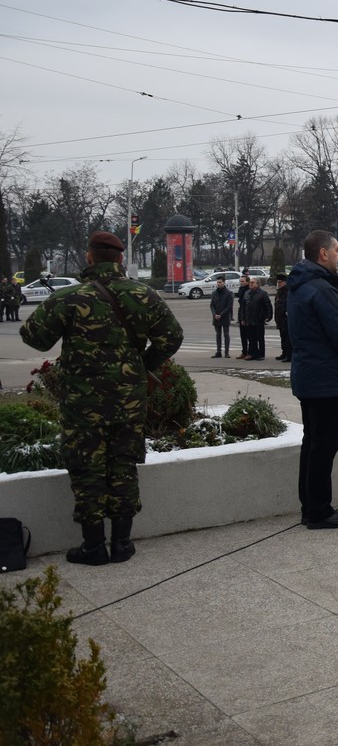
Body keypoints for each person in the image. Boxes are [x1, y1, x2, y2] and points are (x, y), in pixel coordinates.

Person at [20, 231, 183, 564]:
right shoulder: (144, 294)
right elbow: (172, 338)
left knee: (87, 467)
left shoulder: (70, 297)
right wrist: (141, 367)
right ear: (120, 259)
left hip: (84, 405)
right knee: (123, 465)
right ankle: (122, 543)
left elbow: (33, 338)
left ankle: (93, 546)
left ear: (89, 257)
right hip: (129, 401)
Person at [288, 229, 338, 529]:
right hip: (326, 377)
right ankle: (319, 510)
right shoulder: (321, 289)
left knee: (313, 442)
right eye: (336, 250)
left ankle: (309, 506)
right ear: (323, 253)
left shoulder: (301, 284)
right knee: (323, 445)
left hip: (310, 375)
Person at [240, 276, 272, 360]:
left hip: (258, 319)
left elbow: (268, 306)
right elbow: (243, 307)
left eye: (252, 282)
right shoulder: (247, 293)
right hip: (248, 319)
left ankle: (261, 354)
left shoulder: (262, 293)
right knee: (251, 338)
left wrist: (268, 316)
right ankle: (252, 353)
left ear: (258, 284)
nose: (250, 284)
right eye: (250, 282)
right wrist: (242, 318)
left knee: (260, 338)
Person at [209, 276, 234, 358]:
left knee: (226, 334)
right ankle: (218, 351)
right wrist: (214, 314)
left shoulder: (229, 293)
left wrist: (221, 315)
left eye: (220, 282)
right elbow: (212, 305)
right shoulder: (214, 293)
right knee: (218, 334)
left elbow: (229, 306)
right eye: (217, 282)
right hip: (216, 317)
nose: (218, 284)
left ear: (224, 282)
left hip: (225, 317)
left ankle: (227, 352)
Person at [273, 273, 292, 362]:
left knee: (287, 338)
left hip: (286, 319)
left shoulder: (288, 292)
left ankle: (289, 355)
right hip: (280, 319)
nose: (278, 284)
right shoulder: (279, 292)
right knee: (283, 337)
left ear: (285, 282)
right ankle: (284, 353)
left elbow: (287, 305)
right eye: (277, 282)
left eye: (280, 282)